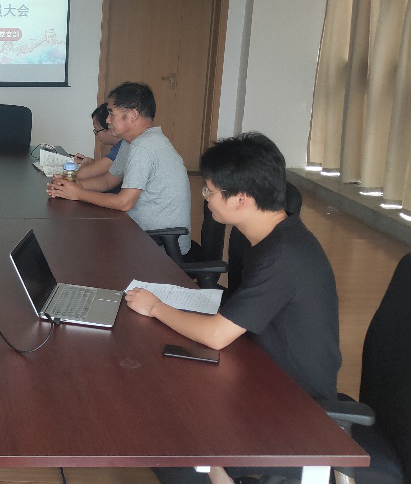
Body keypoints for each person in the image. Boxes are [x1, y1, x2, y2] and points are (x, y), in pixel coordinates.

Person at [126, 132, 341, 484]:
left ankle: (216, 469)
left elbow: (216, 335)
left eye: (209, 190)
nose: (205, 197)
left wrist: (156, 307)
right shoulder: (269, 236)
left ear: (241, 199)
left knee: (168, 447)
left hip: (294, 404)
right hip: (262, 368)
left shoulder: (282, 256)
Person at [47, 82, 191, 254]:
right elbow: (109, 180)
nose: (107, 120)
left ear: (133, 115)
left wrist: (78, 194)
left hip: (158, 246)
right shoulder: (132, 142)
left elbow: (124, 202)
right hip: (138, 233)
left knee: (77, 245)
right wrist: (72, 186)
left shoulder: (145, 146)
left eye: (111, 113)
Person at [73, 103, 123, 182]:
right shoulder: (119, 146)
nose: (96, 134)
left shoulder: (121, 150)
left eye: (96, 130)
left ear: (109, 128)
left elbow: (81, 174)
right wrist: (92, 163)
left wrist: (87, 163)